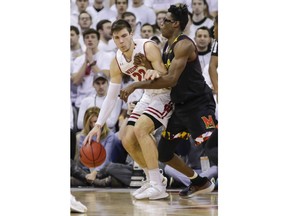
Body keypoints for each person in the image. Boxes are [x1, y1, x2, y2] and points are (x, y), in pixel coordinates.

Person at [120, 3, 217, 198]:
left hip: (198, 105)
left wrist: (135, 85)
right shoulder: (167, 46)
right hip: (180, 108)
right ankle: (199, 181)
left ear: (176, 24)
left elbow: (171, 79)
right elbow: (163, 75)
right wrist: (146, 64)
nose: (161, 23)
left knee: (213, 146)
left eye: (165, 21)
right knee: (164, 153)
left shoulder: (184, 44)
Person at [83, 19, 173, 200]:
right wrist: (98, 125)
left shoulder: (148, 47)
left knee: (140, 129)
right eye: (117, 38)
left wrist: (157, 73)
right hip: (148, 95)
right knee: (126, 137)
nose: (121, 41)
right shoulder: (117, 61)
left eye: (124, 36)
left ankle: (157, 186)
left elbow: (167, 75)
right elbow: (111, 96)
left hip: (166, 94)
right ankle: (154, 179)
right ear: (113, 39)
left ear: (131, 34)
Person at [78, 107, 127, 182]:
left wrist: (94, 173)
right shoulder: (83, 136)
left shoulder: (110, 136)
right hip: (89, 169)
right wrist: (88, 172)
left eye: (95, 121)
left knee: (110, 168)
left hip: (106, 168)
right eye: (90, 123)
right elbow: (83, 158)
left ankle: (93, 179)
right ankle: (88, 179)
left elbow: (106, 159)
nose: (93, 125)